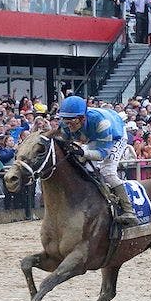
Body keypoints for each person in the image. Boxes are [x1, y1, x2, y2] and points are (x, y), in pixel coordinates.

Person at [56, 94, 139, 226]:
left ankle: (128, 210)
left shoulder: (101, 122)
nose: (68, 124)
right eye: (65, 119)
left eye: (71, 120)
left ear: (82, 118)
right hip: (92, 136)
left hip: (115, 136)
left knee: (107, 171)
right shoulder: (66, 124)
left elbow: (102, 153)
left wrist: (83, 151)